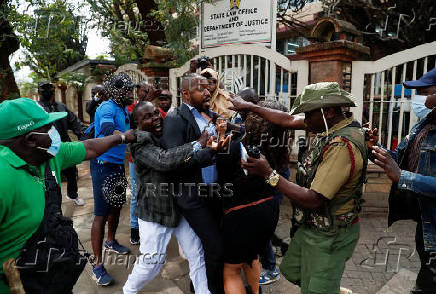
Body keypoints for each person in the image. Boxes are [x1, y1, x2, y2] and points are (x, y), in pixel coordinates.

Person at [239, 82, 368, 294]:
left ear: (328, 111)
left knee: (316, 287)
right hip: (314, 227)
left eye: (308, 115)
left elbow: (313, 199)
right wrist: (251, 108)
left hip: (330, 234)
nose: (305, 121)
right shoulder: (332, 126)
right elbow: (287, 120)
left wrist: (268, 174)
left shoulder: (341, 145)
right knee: (296, 272)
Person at [0, 98, 136, 294]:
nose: (55, 134)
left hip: (51, 275)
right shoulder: (4, 178)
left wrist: (122, 137)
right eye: (48, 128)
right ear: (30, 140)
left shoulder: (48, 155)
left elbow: (89, 147)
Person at [123, 101, 227, 294]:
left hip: (177, 207)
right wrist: (198, 143)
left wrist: (210, 152)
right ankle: (129, 290)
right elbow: (165, 161)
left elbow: (181, 159)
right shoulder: (139, 143)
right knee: (151, 263)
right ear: (136, 123)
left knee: (197, 254)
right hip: (155, 212)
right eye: (147, 117)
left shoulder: (163, 134)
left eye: (155, 113)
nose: (155, 118)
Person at [161, 73, 232, 294]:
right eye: (201, 88)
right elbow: (174, 160)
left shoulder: (210, 115)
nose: (208, 91)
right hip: (191, 196)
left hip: (213, 191)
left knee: (211, 247)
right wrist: (209, 153)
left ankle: (198, 287)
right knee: (215, 248)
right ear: (185, 94)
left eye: (208, 87)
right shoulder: (175, 119)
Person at [369, 68, 436, 294]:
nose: (421, 98)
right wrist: (374, 148)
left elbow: (400, 171)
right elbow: (397, 157)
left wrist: (402, 177)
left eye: (426, 92)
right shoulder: (424, 124)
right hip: (426, 223)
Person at [216, 100, 289, 294]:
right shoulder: (279, 150)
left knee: (232, 270)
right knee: (253, 257)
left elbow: (221, 182)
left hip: (239, 216)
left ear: (252, 122)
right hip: (269, 211)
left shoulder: (232, 147)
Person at [90, 72, 135, 286]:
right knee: (101, 213)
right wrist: (127, 137)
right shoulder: (107, 108)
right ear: (117, 91)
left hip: (117, 165)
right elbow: (108, 130)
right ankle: (97, 265)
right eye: (128, 90)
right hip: (102, 165)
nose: (131, 94)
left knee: (116, 207)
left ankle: (111, 241)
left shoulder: (122, 108)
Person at [38, 81, 87, 206]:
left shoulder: (61, 106)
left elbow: (74, 121)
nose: (48, 91)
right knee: (50, 177)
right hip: (47, 150)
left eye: (50, 88)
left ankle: (72, 195)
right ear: (39, 91)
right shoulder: (37, 109)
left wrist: (83, 132)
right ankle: (50, 203)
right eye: (44, 88)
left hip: (64, 146)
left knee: (72, 173)